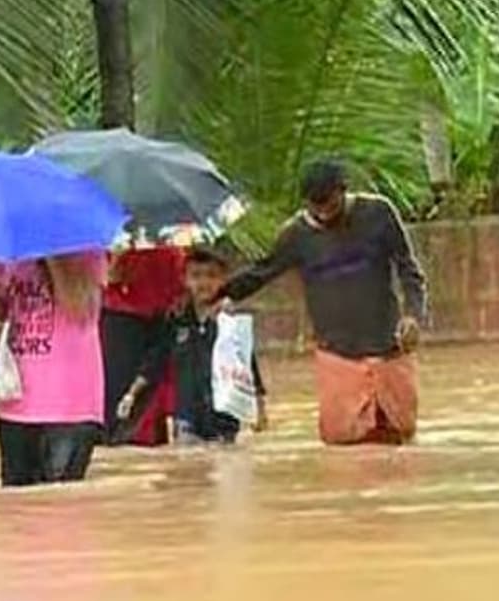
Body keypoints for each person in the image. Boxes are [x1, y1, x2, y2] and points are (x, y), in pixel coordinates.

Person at [217, 159, 427, 445]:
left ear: (343, 191)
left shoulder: (378, 213)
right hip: (338, 356)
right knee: (342, 446)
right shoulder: (296, 235)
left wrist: (413, 315)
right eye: (315, 207)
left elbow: (408, 268)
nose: (323, 213)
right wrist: (219, 295)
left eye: (329, 204)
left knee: (399, 438)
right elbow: (261, 272)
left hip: (388, 349)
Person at [0, 251, 108, 486]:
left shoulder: (87, 252)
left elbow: (79, 309)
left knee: (61, 499)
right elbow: (0, 317)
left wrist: (51, 256)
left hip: (69, 405)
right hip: (15, 399)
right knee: (17, 500)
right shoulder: (11, 252)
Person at [117, 247, 268, 446]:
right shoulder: (176, 319)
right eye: (196, 276)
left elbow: (248, 363)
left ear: (223, 279)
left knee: (223, 459)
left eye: (211, 275)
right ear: (185, 279)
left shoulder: (230, 321)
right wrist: (131, 393)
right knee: (187, 460)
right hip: (186, 417)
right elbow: (155, 361)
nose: (204, 282)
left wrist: (260, 408)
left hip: (224, 418)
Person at [101, 247, 186, 446]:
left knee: (152, 388)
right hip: (121, 316)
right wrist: (114, 265)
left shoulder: (168, 244)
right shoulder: (115, 239)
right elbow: (104, 278)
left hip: (159, 314)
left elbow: (181, 281)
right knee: (118, 398)